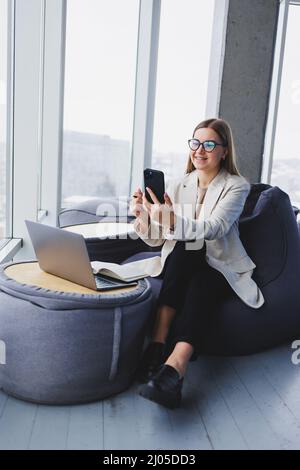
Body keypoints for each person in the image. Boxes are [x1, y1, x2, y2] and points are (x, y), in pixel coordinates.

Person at [129, 118, 264, 409]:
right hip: (183, 262)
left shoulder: (236, 186)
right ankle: (164, 355)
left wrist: (172, 219)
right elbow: (155, 240)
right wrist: (143, 216)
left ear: (224, 151)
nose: (199, 150)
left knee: (197, 264)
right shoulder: (178, 185)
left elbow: (214, 228)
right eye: (195, 142)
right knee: (185, 249)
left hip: (220, 265)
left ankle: (167, 359)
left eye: (209, 144)